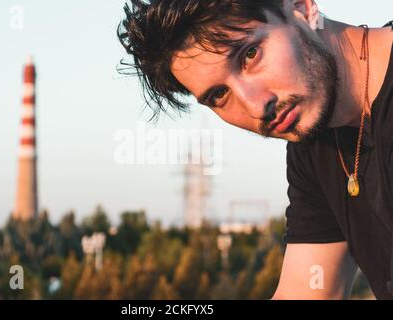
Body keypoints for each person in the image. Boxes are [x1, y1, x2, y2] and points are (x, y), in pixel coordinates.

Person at [117, 0, 393, 299]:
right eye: (219, 94)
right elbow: (305, 292)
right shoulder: (314, 142)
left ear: (301, 8)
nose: (257, 105)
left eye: (250, 54)